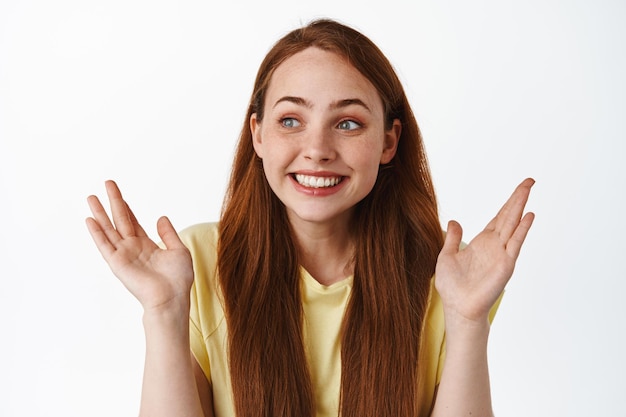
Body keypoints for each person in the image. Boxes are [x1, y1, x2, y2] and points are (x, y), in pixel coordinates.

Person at [86, 19, 534, 417]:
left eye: (348, 124)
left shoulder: (447, 272)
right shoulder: (199, 260)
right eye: (290, 120)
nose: (317, 149)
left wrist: (469, 320)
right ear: (257, 134)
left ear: (388, 142)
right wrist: (163, 313)